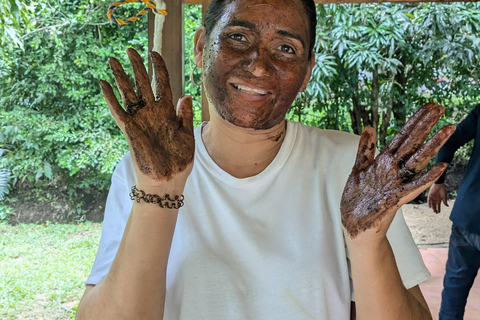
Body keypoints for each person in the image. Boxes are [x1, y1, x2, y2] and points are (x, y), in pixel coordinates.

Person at [76, 0, 455, 319]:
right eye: (238, 38)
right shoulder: (143, 169)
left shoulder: (352, 168)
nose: (258, 65)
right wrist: (160, 189)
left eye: (286, 49)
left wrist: (368, 245)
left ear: (306, 73)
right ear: (200, 46)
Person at [427, 104, 480, 320]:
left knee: (454, 292)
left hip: (467, 217)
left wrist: (438, 181)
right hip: (466, 219)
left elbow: (448, 140)